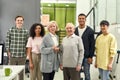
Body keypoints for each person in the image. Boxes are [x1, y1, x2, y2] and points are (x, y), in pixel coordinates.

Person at [5, 15, 29, 80]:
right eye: (18, 20)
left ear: (23, 22)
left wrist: (27, 53)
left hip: (22, 55)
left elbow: (27, 43)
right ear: (15, 21)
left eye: (21, 20)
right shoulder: (10, 30)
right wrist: (8, 52)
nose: (19, 22)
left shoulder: (26, 31)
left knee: (21, 72)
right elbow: (7, 42)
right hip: (13, 55)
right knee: (12, 71)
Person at [74, 13, 95, 80]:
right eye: (80, 18)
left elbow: (92, 45)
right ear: (78, 19)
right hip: (76, 56)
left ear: (85, 20)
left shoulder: (90, 31)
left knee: (87, 73)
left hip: (86, 56)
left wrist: (90, 57)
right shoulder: (74, 30)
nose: (81, 20)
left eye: (83, 18)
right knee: (77, 73)